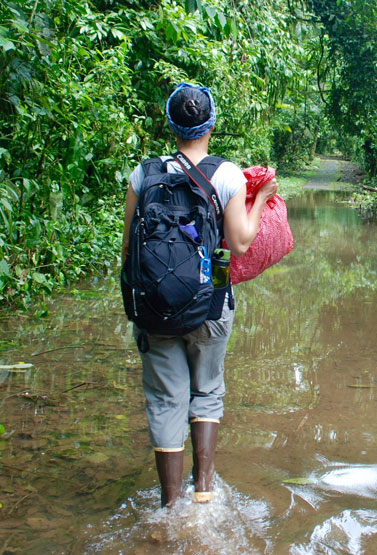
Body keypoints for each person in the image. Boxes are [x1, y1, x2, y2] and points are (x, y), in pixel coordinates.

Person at [122, 83, 277, 508]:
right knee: (206, 390)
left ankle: (170, 505)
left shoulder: (144, 174)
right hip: (209, 304)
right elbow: (241, 243)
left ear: (171, 124)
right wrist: (260, 197)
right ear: (211, 125)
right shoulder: (225, 174)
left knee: (165, 399)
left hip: (154, 308)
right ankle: (204, 492)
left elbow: (128, 250)